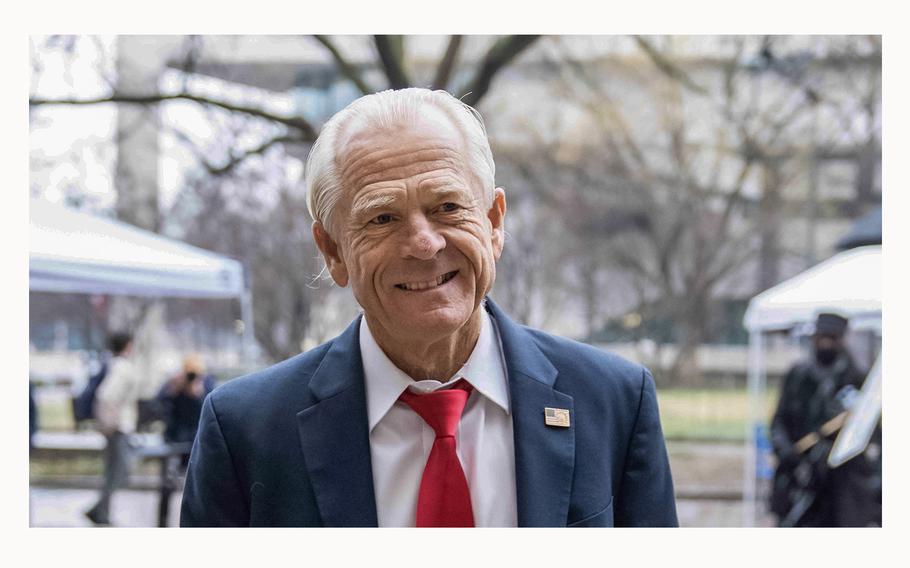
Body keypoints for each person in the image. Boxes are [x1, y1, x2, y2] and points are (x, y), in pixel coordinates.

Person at [181, 88, 678, 527]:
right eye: (382, 217)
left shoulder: (613, 402)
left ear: (493, 222)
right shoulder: (246, 430)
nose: (423, 243)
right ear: (333, 251)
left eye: (447, 207)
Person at [769, 312, 882, 527]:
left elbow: (870, 432)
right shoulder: (798, 376)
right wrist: (787, 453)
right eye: (822, 337)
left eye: (832, 338)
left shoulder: (856, 380)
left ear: (841, 339)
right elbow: (779, 422)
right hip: (800, 475)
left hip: (842, 485)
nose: (826, 343)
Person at [85, 332, 139, 526]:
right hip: (119, 428)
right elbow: (106, 395)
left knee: (113, 471)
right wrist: (113, 421)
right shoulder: (123, 367)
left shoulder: (113, 364)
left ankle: (100, 510)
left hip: (117, 428)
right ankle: (99, 509)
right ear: (128, 346)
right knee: (121, 471)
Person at [157, 354, 215, 453]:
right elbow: (160, 403)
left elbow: (210, 411)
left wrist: (200, 395)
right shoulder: (176, 383)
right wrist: (173, 391)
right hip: (176, 434)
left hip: (196, 434)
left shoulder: (206, 383)